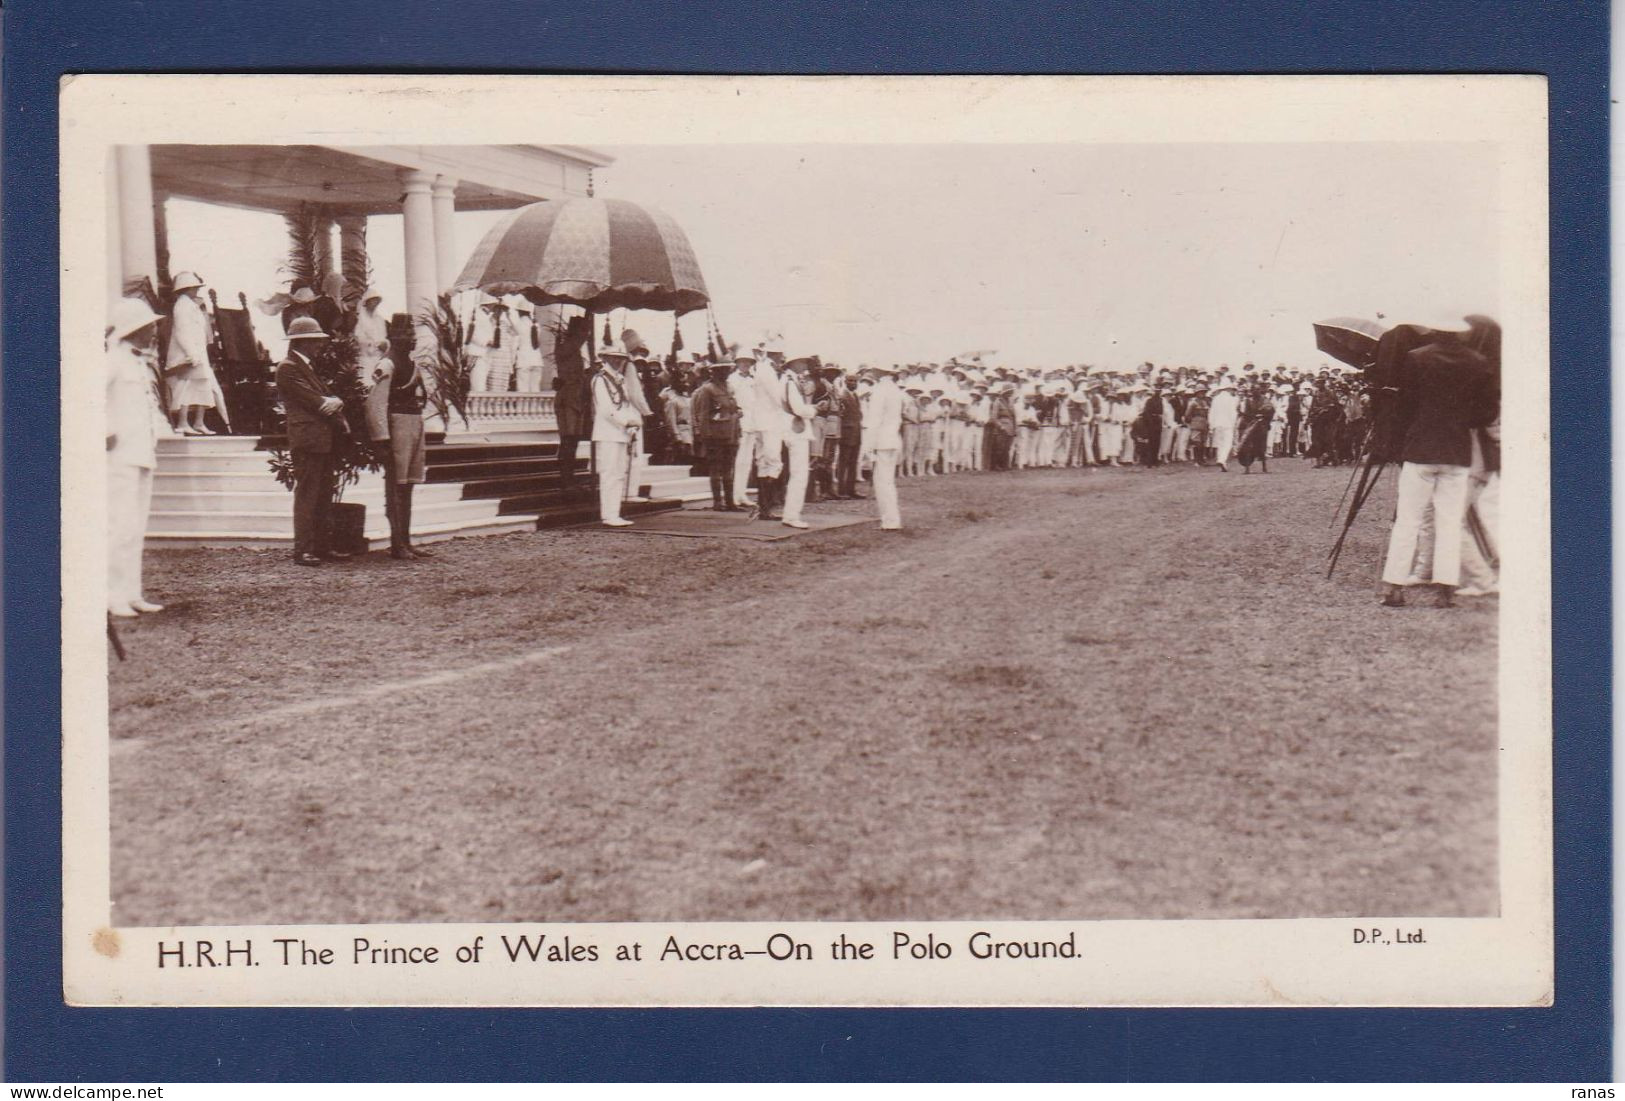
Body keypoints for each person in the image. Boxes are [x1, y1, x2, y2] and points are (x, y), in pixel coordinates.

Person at [1379, 316, 1498, 608]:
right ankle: (1445, 590)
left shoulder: (1416, 358)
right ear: (1461, 333)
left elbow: (1405, 405)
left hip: (1420, 448)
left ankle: (1395, 588)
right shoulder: (1478, 362)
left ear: (1433, 329)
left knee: (1408, 520)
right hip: (1457, 451)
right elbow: (1485, 413)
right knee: (1449, 521)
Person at [106, 298, 166, 617]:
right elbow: (89, 395)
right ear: (135, 330)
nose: (155, 330)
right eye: (150, 325)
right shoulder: (113, 359)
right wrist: (105, 430)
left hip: (142, 451)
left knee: (136, 525)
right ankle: (111, 596)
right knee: (119, 525)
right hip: (120, 454)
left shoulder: (138, 362)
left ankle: (131, 592)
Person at [275, 317, 349, 566]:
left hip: (320, 438)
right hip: (308, 439)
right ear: (303, 342)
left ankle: (321, 547)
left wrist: (333, 400)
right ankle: (303, 549)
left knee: (323, 494)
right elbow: (319, 402)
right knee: (308, 495)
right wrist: (334, 401)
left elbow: (325, 400)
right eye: (315, 340)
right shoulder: (288, 368)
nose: (319, 345)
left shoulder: (304, 367)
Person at [591, 338, 643, 527]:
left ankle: (615, 513)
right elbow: (606, 410)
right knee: (610, 474)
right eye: (613, 358)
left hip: (621, 433)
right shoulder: (600, 380)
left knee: (619, 473)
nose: (617, 362)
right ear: (604, 358)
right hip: (608, 433)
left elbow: (626, 405)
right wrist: (626, 422)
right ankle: (608, 515)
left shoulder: (619, 380)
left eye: (620, 359)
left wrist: (633, 424)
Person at [385, 356, 432, 559]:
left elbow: (422, 394)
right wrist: (381, 437)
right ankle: (397, 543)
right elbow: (377, 403)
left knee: (409, 483)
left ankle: (406, 540)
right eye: (404, 333)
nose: (410, 338)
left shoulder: (414, 365)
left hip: (414, 421)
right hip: (398, 423)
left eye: (412, 333)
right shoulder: (388, 365)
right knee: (398, 484)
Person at [164, 271, 220, 436]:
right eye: (194, 287)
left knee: (203, 385)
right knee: (185, 387)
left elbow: (200, 331)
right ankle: (183, 422)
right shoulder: (181, 306)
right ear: (186, 288)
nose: (196, 290)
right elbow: (182, 332)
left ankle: (199, 422)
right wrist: (191, 353)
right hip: (186, 355)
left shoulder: (192, 305)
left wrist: (199, 353)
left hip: (199, 353)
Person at [690, 359, 742, 511]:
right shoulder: (707, 389)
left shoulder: (729, 387)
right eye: (721, 370)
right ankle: (718, 502)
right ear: (714, 372)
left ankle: (730, 502)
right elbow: (703, 414)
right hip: (715, 434)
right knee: (715, 468)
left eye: (727, 370)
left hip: (731, 433)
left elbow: (733, 406)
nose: (725, 373)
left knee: (728, 469)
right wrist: (703, 435)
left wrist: (738, 412)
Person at [776, 354, 820, 529]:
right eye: (802, 362)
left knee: (798, 473)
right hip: (795, 430)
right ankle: (792, 515)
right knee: (799, 474)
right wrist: (815, 409)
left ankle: (791, 513)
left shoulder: (790, 380)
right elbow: (799, 409)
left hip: (793, 429)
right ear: (793, 363)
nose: (805, 365)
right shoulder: (790, 382)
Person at [552, 315, 592, 497]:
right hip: (569, 399)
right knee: (569, 440)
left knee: (572, 441)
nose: (586, 335)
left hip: (575, 399)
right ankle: (566, 480)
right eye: (583, 330)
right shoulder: (568, 347)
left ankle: (568, 479)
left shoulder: (573, 348)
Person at [865, 364, 906, 530]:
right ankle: (891, 519)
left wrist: (868, 445)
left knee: (883, 482)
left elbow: (874, 420)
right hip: (892, 439)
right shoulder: (895, 389)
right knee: (887, 481)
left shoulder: (880, 390)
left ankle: (890, 520)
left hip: (882, 440)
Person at [729, 348, 762, 510]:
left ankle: (742, 495)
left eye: (748, 362)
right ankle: (734, 496)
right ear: (737, 363)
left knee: (747, 461)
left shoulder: (754, 379)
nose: (745, 364)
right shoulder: (731, 379)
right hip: (739, 423)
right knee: (738, 460)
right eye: (742, 361)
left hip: (753, 423)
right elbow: (730, 400)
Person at [1207, 379, 1239, 472]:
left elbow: (1211, 413)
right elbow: (1233, 413)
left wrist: (1211, 425)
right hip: (1227, 423)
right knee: (1227, 443)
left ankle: (1220, 460)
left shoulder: (1216, 399)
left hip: (1217, 424)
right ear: (1228, 388)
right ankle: (1222, 459)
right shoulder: (1231, 399)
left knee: (1220, 443)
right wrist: (1233, 424)